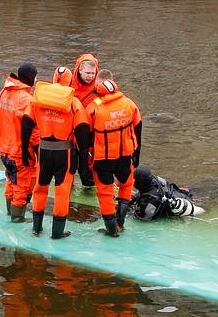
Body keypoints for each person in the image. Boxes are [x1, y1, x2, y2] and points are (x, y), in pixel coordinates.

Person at [21, 68, 90, 240]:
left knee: (40, 188)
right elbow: (82, 130)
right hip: (64, 153)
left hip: (44, 151)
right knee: (62, 192)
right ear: (69, 81)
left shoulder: (39, 99)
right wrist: (83, 160)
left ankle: (36, 228)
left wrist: (24, 150)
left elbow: (26, 123)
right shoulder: (73, 103)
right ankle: (57, 233)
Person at [84, 79, 142, 238]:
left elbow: (85, 133)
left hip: (103, 158)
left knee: (105, 193)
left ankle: (111, 230)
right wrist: (137, 153)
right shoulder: (129, 103)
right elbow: (138, 126)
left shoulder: (93, 107)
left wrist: (85, 158)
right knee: (126, 186)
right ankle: (120, 223)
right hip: (125, 155)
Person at [0, 62, 39, 223]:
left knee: (10, 179)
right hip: (19, 150)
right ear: (31, 78)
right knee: (21, 184)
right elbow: (34, 130)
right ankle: (17, 216)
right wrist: (37, 149)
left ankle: (9, 210)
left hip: (4, 147)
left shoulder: (4, 93)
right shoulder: (26, 99)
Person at [67, 52, 100, 187]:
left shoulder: (99, 87)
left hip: (89, 134)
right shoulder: (69, 84)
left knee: (87, 169)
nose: (91, 76)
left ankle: (88, 184)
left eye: (93, 73)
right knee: (70, 166)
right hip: (70, 133)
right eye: (88, 73)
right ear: (79, 70)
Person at [132, 168, 201, 220]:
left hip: (183, 208)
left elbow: (144, 218)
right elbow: (143, 191)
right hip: (182, 195)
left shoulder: (151, 201)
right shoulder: (155, 179)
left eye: (133, 179)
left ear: (139, 183)